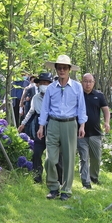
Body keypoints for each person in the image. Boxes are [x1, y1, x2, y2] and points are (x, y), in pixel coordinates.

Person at [37, 55, 87, 201]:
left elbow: (81, 108)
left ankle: (66, 190)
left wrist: (82, 125)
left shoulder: (77, 87)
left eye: (65, 68)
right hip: (53, 124)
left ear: (69, 70)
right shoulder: (51, 88)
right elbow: (45, 108)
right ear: (56, 70)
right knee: (50, 159)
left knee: (69, 158)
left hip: (70, 124)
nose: (62, 70)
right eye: (59, 68)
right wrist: (41, 126)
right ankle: (53, 187)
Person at [18, 73, 62, 184]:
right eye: (41, 83)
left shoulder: (57, 97)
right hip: (39, 129)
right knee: (36, 153)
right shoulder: (36, 98)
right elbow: (31, 112)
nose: (43, 85)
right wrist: (23, 124)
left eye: (46, 83)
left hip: (53, 127)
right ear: (38, 85)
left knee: (55, 156)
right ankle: (37, 176)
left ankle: (59, 179)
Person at [78, 73, 110, 188]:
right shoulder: (78, 95)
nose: (87, 84)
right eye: (85, 81)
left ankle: (94, 177)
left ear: (94, 83)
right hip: (81, 133)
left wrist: (107, 122)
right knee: (84, 158)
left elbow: (106, 110)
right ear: (82, 82)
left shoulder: (99, 95)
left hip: (95, 133)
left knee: (96, 158)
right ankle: (85, 182)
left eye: (90, 81)